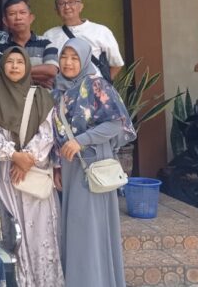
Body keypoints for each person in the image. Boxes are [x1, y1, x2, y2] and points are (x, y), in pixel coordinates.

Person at [52, 38, 136, 287]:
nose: (68, 62)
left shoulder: (97, 85)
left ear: (85, 60)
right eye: (64, 56)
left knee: (88, 228)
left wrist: (81, 140)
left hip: (93, 163)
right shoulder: (57, 91)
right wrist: (57, 165)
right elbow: (55, 133)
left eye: (74, 58)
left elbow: (117, 123)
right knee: (75, 228)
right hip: (70, 166)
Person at [0, 46, 64, 287]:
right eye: (10, 62)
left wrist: (27, 159)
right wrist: (16, 156)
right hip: (4, 174)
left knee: (40, 233)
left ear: (27, 66)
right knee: (10, 232)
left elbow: (48, 134)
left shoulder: (43, 97)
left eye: (20, 61)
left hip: (33, 173)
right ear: (2, 67)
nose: (15, 66)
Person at [43, 0, 124, 79]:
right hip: (60, 87)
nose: (67, 6)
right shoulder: (49, 35)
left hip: (92, 87)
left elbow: (116, 64)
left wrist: (102, 84)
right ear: (56, 10)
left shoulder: (101, 31)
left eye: (71, 2)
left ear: (81, 6)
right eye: (61, 3)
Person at [0, 0, 59, 88]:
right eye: (12, 14)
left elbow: (51, 71)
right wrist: (36, 80)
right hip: (11, 97)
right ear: (5, 21)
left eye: (22, 12)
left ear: (31, 18)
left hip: (42, 97)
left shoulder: (46, 43)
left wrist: (14, 73)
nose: (18, 17)